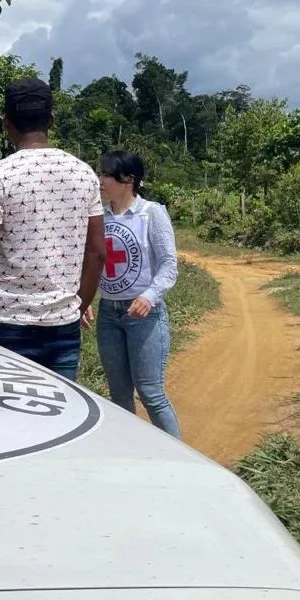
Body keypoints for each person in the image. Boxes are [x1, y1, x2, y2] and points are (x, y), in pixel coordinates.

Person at [0, 77, 106, 382]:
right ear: (51, 120)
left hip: (4, 326)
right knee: (57, 420)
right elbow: (97, 253)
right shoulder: (84, 174)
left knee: (2, 420)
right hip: (62, 328)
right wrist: (77, 307)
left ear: (6, 124)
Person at [82, 150, 182, 438]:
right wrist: (85, 297)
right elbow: (90, 259)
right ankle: (132, 452)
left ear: (128, 180)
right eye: (99, 173)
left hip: (145, 317)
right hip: (109, 315)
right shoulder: (99, 217)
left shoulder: (151, 214)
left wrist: (148, 297)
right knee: (119, 394)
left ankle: (180, 458)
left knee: (150, 392)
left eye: (105, 175)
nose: (99, 180)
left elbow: (168, 266)